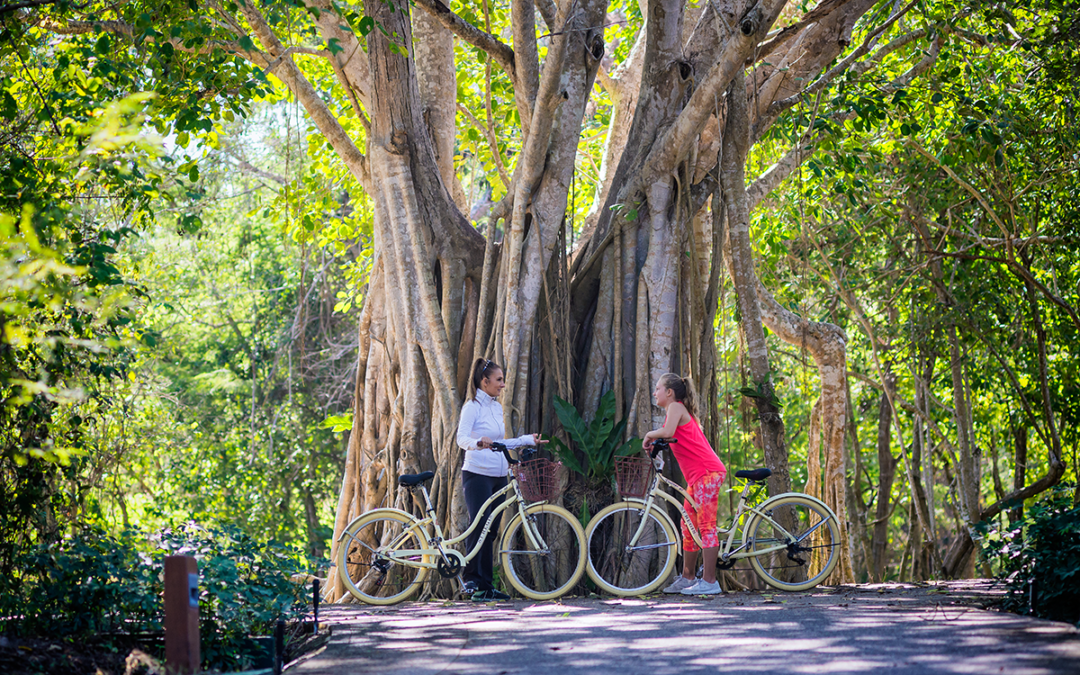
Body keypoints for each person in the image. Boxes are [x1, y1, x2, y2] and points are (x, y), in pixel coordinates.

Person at [455, 357, 547, 601]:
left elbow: (500, 443)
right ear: (484, 382)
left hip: (499, 475)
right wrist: (477, 442)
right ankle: (473, 582)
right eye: (499, 380)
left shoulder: (496, 407)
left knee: (492, 529)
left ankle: (487, 585)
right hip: (477, 474)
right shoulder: (471, 407)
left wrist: (526, 439)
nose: (503, 384)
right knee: (479, 525)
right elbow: (461, 439)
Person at [642, 373, 728, 595]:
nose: (655, 392)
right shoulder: (677, 411)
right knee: (688, 525)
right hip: (697, 477)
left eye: (658, 388)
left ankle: (710, 582)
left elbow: (668, 432)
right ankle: (687, 576)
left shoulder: (676, 407)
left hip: (707, 472)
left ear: (669, 393)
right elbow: (673, 436)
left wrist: (649, 435)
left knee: (706, 525)